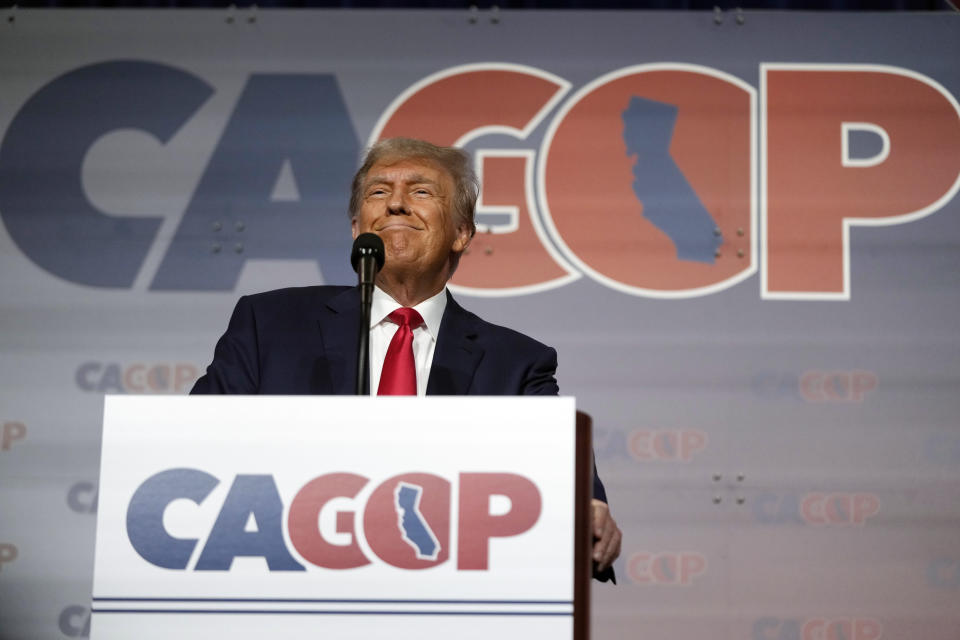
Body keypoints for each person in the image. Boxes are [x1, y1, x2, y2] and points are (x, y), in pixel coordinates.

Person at [192, 137, 622, 579]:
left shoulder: (515, 363)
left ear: (462, 233)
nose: (396, 203)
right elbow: (190, 442)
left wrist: (586, 506)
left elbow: (561, 461)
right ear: (357, 229)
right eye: (378, 192)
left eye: (421, 192)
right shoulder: (270, 324)